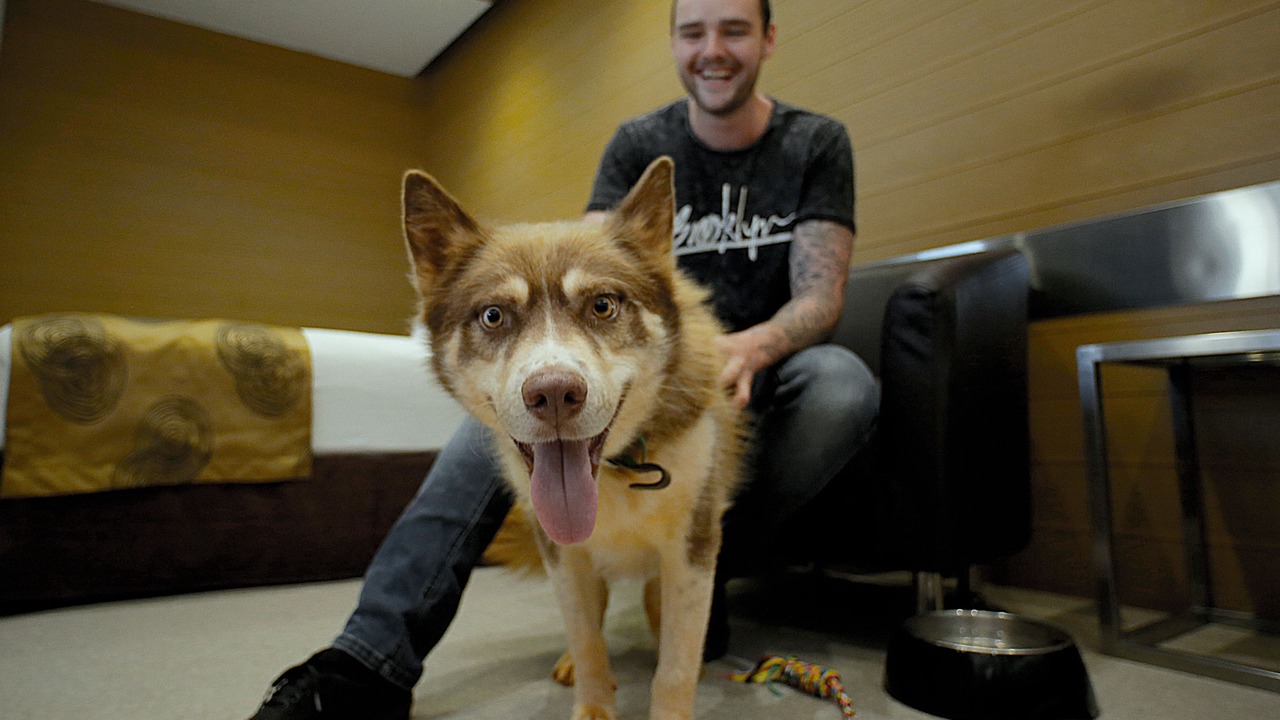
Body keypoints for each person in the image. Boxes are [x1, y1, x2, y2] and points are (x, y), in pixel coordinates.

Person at [247, 1, 878, 718]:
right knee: (509, 406)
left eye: (734, 28)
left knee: (843, 386)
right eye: (693, 30)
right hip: (638, 355)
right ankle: (367, 656)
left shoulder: (815, 143)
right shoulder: (640, 140)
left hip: (750, 365)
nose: (713, 48)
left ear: (767, 38)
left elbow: (820, 298)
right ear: (675, 43)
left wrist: (749, 347)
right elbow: (579, 270)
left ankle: (707, 563)